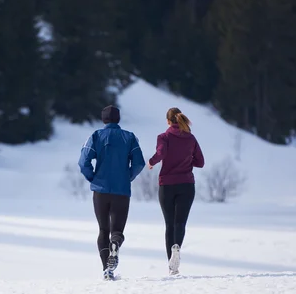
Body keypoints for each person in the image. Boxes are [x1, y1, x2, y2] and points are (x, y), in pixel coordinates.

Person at [78, 105, 145, 280]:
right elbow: (139, 163)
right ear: (118, 119)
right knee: (117, 230)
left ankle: (106, 270)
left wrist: (92, 178)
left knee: (103, 229)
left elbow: (83, 161)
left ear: (103, 119)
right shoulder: (129, 137)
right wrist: (127, 177)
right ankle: (115, 244)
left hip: (100, 191)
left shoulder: (95, 136)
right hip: (121, 191)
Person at [148, 107, 204, 276]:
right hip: (187, 184)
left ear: (168, 121)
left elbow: (161, 153)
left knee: (169, 224)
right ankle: (177, 248)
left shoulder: (163, 137)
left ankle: (172, 266)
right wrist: (186, 160)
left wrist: (151, 162)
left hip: (167, 185)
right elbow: (200, 162)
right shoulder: (191, 138)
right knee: (180, 223)